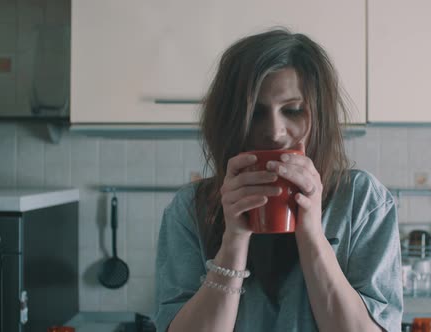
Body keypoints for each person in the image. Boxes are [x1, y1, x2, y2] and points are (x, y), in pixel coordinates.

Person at [154, 28, 403, 332]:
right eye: (255, 113)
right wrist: (233, 241)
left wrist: (311, 235)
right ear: (230, 120)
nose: (274, 132)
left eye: (293, 110)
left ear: (319, 118)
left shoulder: (362, 201)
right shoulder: (192, 208)